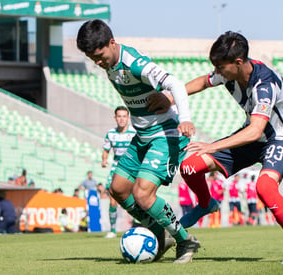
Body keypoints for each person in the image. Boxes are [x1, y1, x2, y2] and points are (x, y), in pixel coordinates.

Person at [164, 31, 283, 264]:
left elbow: (256, 130)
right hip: (250, 136)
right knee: (190, 166)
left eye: (220, 67)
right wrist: (172, 98)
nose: (217, 72)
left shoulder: (264, 85)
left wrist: (212, 147)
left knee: (265, 188)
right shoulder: (228, 72)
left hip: (278, 139)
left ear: (238, 62)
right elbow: (203, 82)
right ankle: (206, 204)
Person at [76, 19, 200, 263]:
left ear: (112, 43)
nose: (98, 63)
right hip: (142, 136)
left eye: (99, 56)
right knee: (119, 189)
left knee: (143, 195)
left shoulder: (133, 62)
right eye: (92, 59)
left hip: (165, 134)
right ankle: (160, 233)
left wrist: (184, 118)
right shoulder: (108, 64)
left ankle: (186, 240)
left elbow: (174, 83)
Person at [101, 106, 136, 239]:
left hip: (132, 167)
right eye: (119, 116)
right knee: (112, 198)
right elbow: (105, 150)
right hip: (116, 167)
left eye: (124, 116)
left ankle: (140, 225)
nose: (121, 119)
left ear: (128, 118)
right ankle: (113, 230)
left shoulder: (134, 132)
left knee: (138, 197)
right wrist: (104, 160)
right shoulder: (110, 133)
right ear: (115, 118)